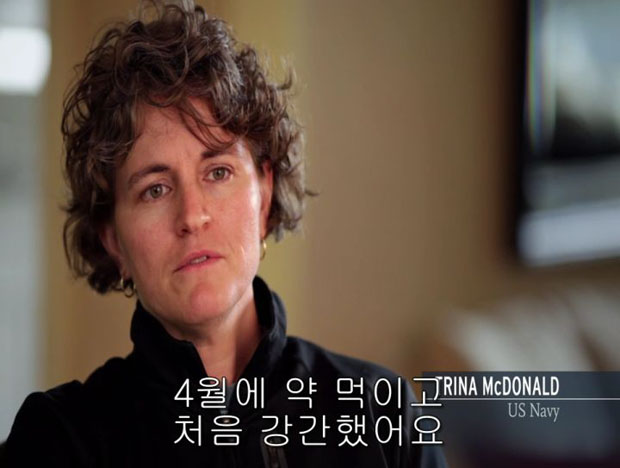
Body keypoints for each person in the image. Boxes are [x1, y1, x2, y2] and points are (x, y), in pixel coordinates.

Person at [5, 2, 447, 467]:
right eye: (155, 189)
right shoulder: (60, 440)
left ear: (265, 194)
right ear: (113, 240)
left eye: (217, 172)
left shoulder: (381, 414)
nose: (192, 215)